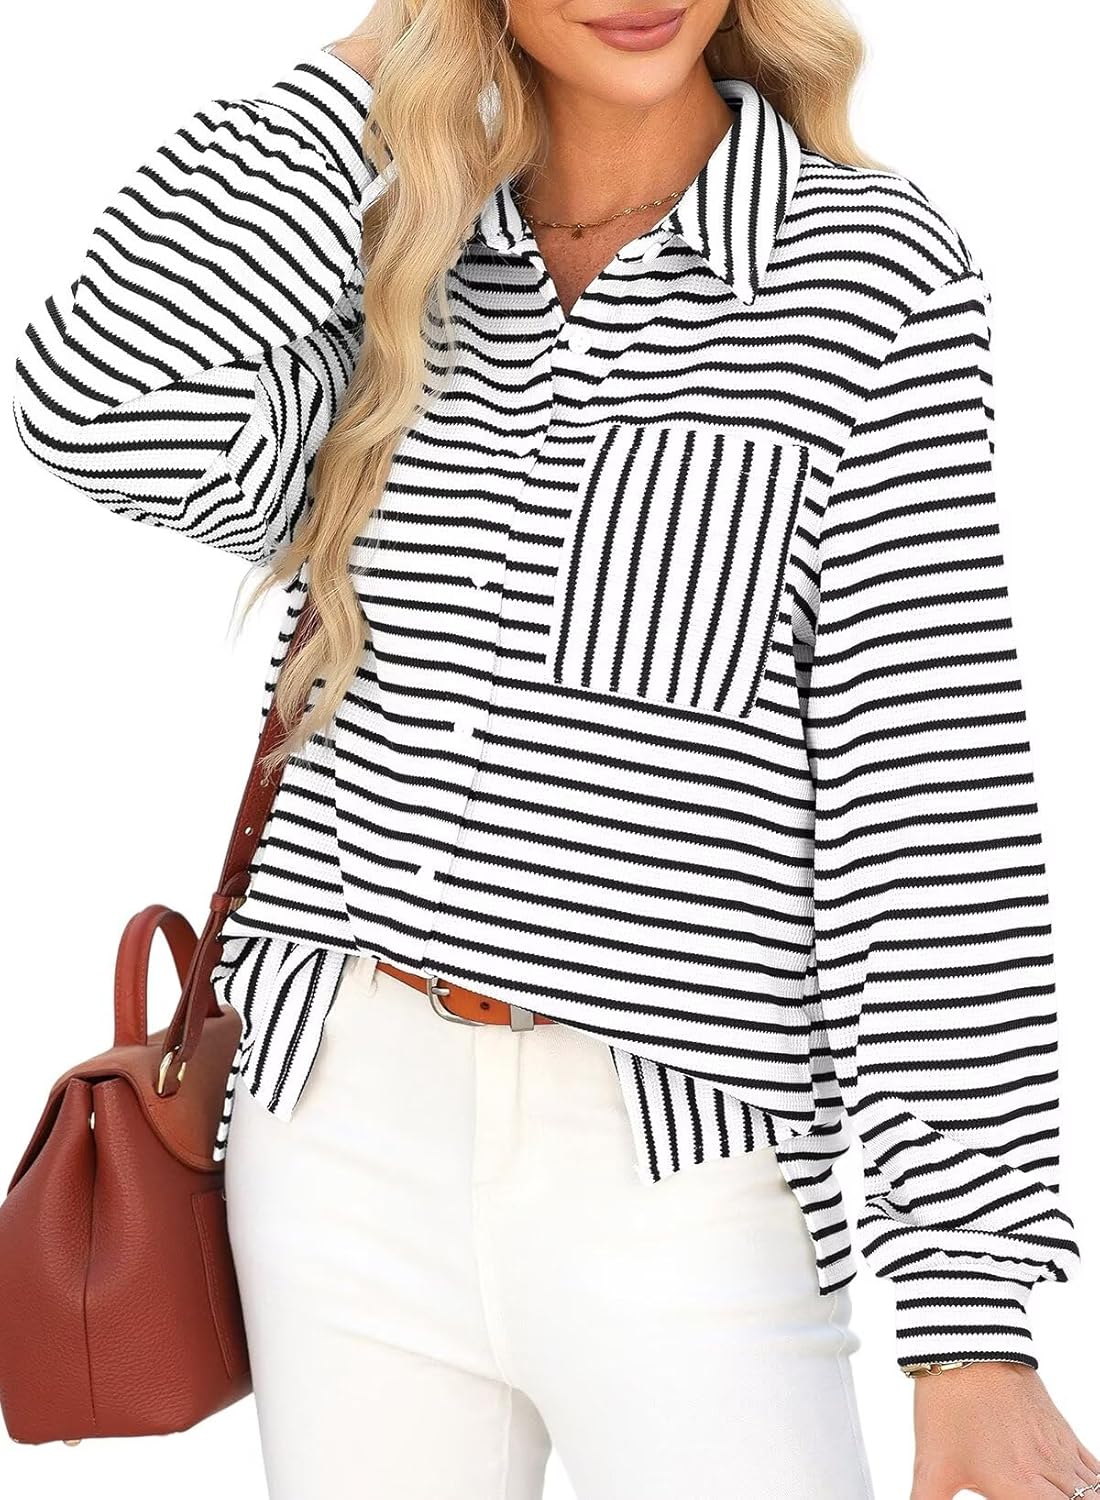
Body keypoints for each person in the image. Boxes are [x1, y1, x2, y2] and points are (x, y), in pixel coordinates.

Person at [12, 2, 1096, 1497]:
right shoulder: (391, 251)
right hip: (332, 1131)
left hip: (680, 1163)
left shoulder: (871, 274)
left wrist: (968, 1323)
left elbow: (926, 804)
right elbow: (97, 404)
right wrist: (374, 65)